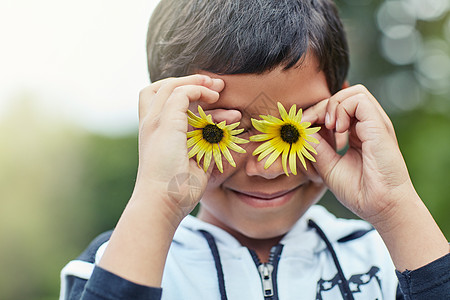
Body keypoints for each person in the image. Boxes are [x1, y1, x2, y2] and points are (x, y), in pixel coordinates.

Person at [60, 0, 449, 299]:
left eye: (292, 128)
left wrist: (396, 207)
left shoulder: (385, 258)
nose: (266, 167)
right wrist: (157, 204)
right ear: (163, 126)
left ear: (344, 111)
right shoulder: (119, 260)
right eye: (220, 128)